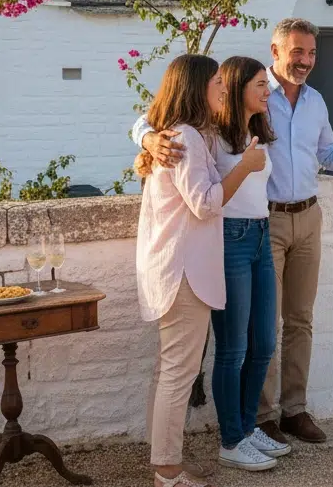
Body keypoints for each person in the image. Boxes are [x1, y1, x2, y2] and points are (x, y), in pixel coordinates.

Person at [135, 18, 333, 446]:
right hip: (258, 226)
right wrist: (148, 138)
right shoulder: (234, 94)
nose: (306, 61)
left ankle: (293, 410)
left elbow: (327, 152)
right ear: (276, 51)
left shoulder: (313, 102)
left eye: (312, 53)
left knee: (300, 320)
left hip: (307, 216)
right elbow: (163, 114)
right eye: (297, 52)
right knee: (256, 333)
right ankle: (258, 418)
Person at [136, 54, 247, 487]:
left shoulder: (192, 133)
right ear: (197, 86)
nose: (223, 87)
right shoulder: (184, 137)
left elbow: (141, 121)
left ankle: (162, 458)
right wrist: (245, 169)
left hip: (175, 268)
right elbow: (205, 203)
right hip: (184, 273)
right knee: (178, 370)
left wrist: (143, 135)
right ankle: (166, 469)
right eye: (217, 81)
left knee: (169, 368)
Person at [208, 57, 292, 470]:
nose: (266, 90)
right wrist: (150, 139)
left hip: (261, 234)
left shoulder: (254, 130)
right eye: (260, 83)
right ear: (238, 86)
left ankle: (245, 427)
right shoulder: (211, 133)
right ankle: (230, 440)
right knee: (233, 348)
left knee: (264, 343)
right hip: (229, 240)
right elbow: (148, 124)